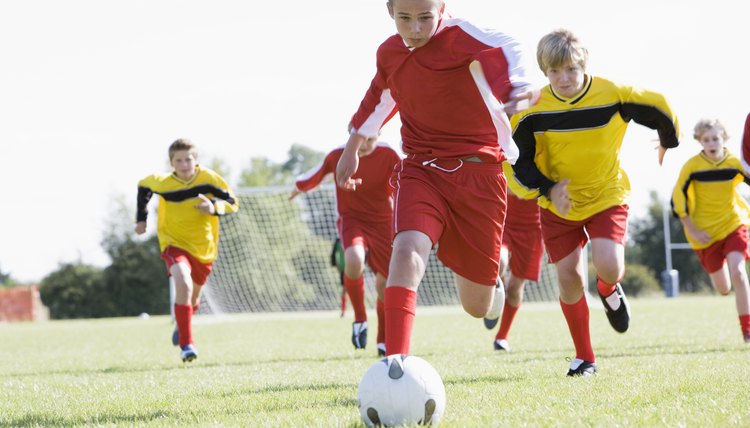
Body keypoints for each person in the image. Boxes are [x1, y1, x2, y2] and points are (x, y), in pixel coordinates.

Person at [335, 0, 539, 358]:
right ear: (390, 11)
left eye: (425, 18)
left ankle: (492, 288)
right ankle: (395, 362)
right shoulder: (389, 53)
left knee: (476, 305)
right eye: (405, 18)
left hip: (479, 175)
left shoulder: (461, 36)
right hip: (421, 169)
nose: (415, 28)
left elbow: (507, 45)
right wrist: (353, 145)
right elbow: (379, 96)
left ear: (442, 9)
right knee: (407, 248)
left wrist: (517, 86)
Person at [509, 29, 680, 376]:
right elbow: (514, 161)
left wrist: (667, 139)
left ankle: (609, 289)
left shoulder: (612, 94)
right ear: (545, 72)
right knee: (569, 277)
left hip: (606, 194)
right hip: (559, 203)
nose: (564, 78)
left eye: (571, 69)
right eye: (554, 72)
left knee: (609, 266)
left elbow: (658, 105)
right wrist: (547, 188)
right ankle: (585, 357)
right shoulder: (531, 109)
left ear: (583, 64)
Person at [290, 135, 401, 356]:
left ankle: (383, 339)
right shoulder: (338, 155)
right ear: (353, 135)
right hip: (352, 220)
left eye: (371, 139)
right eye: (361, 139)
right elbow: (316, 174)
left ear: (378, 136)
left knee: (384, 286)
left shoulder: (388, 154)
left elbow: (405, 178)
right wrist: (299, 187)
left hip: (384, 222)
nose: (365, 145)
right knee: (353, 259)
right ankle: (360, 318)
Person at [135, 138, 239, 362]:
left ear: (196, 160)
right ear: (172, 163)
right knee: (182, 280)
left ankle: (183, 326)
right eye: (178, 160)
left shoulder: (209, 179)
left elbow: (233, 202)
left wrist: (213, 207)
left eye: (188, 159)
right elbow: (144, 186)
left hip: (204, 247)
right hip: (173, 242)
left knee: (193, 299)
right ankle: (187, 344)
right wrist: (141, 220)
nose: (184, 164)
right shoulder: (162, 182)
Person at [671, 119, 750, 343]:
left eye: (715, 138)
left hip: (733, 225)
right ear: (699, 141)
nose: (711, 143)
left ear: (724, 139)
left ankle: (747, 330)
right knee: (723, 288)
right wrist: (692, 230)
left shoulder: (735, 163)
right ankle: (723, 274)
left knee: (739, 273)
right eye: (706, 139)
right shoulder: (692, 167)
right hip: (704, 233)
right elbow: (678, 200)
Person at [483, 163, 545, 352]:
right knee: (499, 262)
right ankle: (495, 296)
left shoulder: (547, 149)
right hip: (505, 220)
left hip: (534, 228)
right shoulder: (512, 146)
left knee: (516, 287)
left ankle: (502, 337)